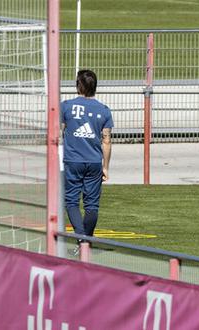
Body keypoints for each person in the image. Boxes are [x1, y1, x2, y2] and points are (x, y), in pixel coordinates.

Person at [61, 69, 113, 250]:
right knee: (92, 204)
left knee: (71, 201)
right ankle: (86, 241)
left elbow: (59, 130)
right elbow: (106, 140)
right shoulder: (104, 110)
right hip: (93, 162)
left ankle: (82, 239)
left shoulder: (66, 106)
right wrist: (105, 166)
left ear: (78, 86)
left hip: (73, 160)